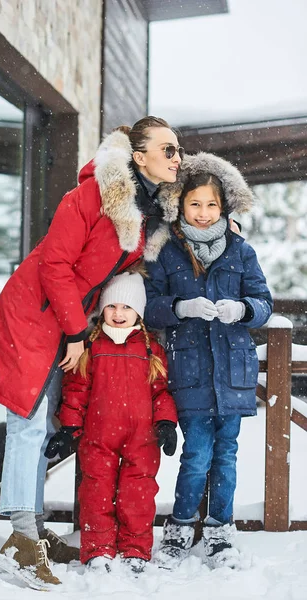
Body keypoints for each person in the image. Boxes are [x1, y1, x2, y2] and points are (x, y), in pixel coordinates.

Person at [0, 116, 184, 589]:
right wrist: (74, 330)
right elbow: (55, 264)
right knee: (28, 424)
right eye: (168, 150)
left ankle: (36, 530)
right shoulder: (89, 195)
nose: (177, 158)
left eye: (178, 150)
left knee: (45, 423)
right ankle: (22, 539)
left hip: (65, 320)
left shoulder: (148, 213)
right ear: (138, 155)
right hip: (34, 313)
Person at [144, 152, 273, 570]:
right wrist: (182, 307)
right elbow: (151, 307)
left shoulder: (241, 251)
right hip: (191, 371)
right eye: (194, 204)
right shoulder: (168, 251)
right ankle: (180, 527)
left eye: (211, 205)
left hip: (233, 371)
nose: (203, 213)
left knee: (227, 454)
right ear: (181, 206)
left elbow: (264, 303)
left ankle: (219, 529)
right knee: (196, 452)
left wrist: (243, 310)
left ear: (224, 207)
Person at [45, 271, 178, 575]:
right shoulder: (91, 347)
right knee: (96, 493)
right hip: (98, 435)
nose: (119, 314)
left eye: (127, 307)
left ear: (139, 313)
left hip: (142, 438)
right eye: (112, 306)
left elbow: (161, 391)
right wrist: (68, 428)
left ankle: (135, 549)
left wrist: (167, 423)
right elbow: (76, 390)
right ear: (102, 309)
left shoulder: (150, 350)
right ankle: (98, 549)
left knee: (138, 495)